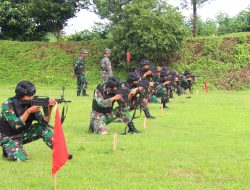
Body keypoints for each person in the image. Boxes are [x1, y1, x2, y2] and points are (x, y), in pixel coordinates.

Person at [0, 81, 56, 161]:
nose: (31, 98)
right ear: (20, 95)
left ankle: (60, 152)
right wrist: (28, 111)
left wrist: (49, 108)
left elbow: (44, 122)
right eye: (29, 96)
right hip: (7, 136)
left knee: (43, 128)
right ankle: (8, 147)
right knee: (23, 159)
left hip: (21, 134)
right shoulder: (7, 105)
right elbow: (16, 125)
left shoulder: (31, 104)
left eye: (32, 95)